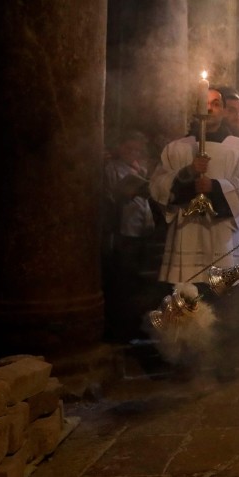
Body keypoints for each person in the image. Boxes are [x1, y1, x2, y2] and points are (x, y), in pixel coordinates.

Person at [149, 87, 239, 380]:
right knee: (185, 298)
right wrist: (186, 177)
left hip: (225, 236)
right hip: (188, 233)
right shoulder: (175, 149)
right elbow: (158, 188)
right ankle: (185, 360)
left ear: (223, 110)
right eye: (204, 103)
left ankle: (227, 360)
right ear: (193, 108)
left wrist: (215, 186)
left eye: (216, 104)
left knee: (226, 298)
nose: (210, 109)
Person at [102, 128, 158, 341]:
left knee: (139, 283)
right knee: (123, 281)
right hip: (124, 231)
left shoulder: (141, 168)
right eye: (129, 148)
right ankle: (121, 329)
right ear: (120, 148)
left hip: (143, 231)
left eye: (137, 149)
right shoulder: (112, 168)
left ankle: (136, 324)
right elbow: (110, 196)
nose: (133, 152)